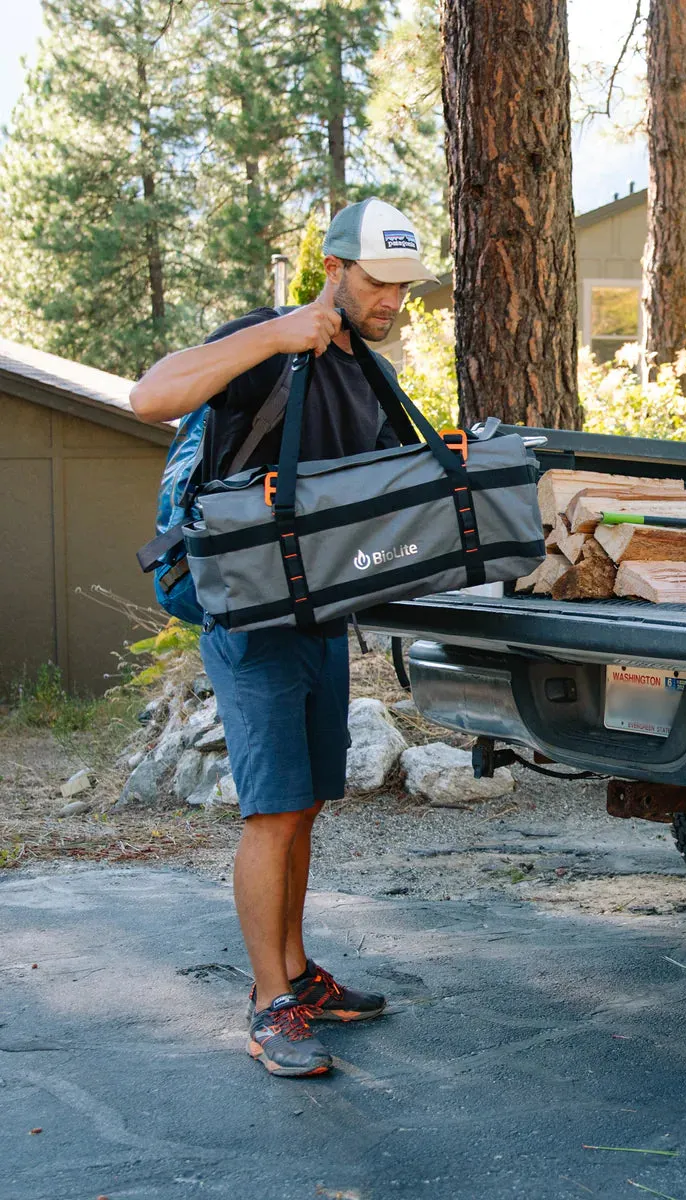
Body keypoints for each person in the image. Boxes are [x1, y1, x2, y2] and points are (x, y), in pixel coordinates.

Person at [131, 198, 440, 1077]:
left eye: (404, 289)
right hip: (247, 613)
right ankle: (269, 1006)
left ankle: (298, 975)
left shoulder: (363, 372)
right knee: (271, 813)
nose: (393, 303)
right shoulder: (268, 339)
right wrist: (275, 337)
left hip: (316, 615)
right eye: (379, 284)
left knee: (303, 803)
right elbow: (151, 396)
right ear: (336, 270)